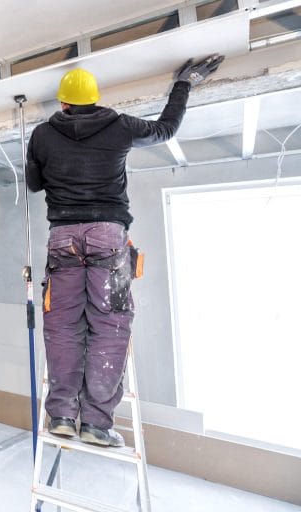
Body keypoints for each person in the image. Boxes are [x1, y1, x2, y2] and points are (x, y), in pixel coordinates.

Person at [25, 56, 224, 447]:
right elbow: (166, 129)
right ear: (96, 99)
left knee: (62, 324)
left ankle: (63, 415)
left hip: (63, 238)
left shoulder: (42, 134)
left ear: (63, 103)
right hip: (108, 238)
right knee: (110, 324)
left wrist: (46, 161)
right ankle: (97, 424)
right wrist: (185, 83)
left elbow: (33, 184)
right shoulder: (118, 126)